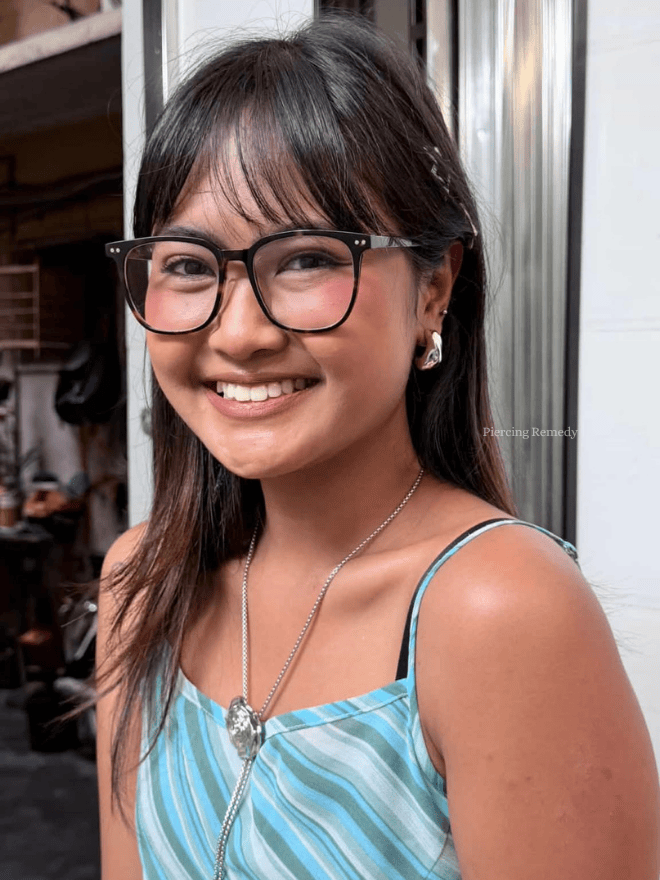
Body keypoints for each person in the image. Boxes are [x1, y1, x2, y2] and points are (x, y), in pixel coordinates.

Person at [97, 14, 659, 880]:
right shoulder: (144, 584)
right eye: (188, 265)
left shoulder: (495, 613)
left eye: (308, 259)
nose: (239, 333)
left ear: (434, 289)